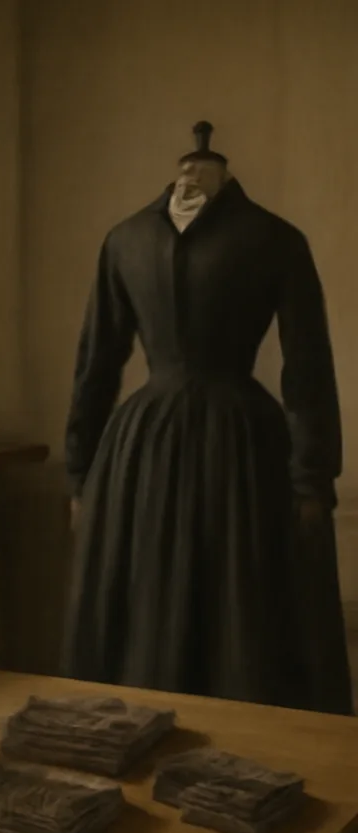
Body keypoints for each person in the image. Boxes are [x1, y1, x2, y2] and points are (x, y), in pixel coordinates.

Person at [61, 121, 353, 715]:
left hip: (240, 448)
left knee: (239, 613)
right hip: (141, 451)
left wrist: (311, 476)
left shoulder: (275, 239)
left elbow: (308, 367)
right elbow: (96, 361)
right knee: (143, 607)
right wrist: (81, 471)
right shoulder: (126, 239)